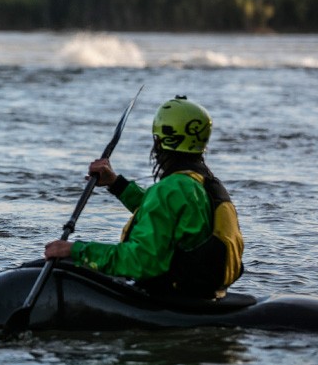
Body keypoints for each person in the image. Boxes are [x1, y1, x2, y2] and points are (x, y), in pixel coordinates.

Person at [43, 96, 244, 299]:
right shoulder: (202, 182)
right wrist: (117, 184)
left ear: (160, 140)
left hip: (172, 297)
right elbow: (164, 216)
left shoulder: (171, 189)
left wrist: (76, 250)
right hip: (203, 293)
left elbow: (142, 261)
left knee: (69, 265)